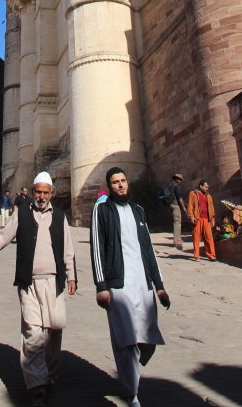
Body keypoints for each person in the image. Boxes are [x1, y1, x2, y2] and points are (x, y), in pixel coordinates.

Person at [0, 172, 76, 407]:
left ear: (51, 193)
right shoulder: (21, 214)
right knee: (33, 334)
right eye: (38, 192)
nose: (42, 197)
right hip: (29, 284)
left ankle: (49, 377)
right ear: (32, 192)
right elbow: (1, 239)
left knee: (54, 333)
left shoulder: (61, 217)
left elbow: (68, 250)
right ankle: (37, 388)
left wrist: (72, 276)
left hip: (54, 284)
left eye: (45, 193)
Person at [91, 167, 170, 407]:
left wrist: (159, 285)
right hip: (118, 284)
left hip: (143, 282)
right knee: (126, 340)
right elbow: (97, 247)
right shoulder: (102, 210)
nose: (121, 185)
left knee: (147, 337)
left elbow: (148, 249)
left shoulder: (139, 211)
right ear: (109, 185)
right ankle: (132, 392)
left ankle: (132, 370)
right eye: (115, 182)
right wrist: (101, 285)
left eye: (123, 180)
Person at [187, 180, 216, 262]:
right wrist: (191, 216)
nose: (207, 188)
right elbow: (190, 206)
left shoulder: (208, 196)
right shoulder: (193, 194)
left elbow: (211, 208)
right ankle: (196, 255)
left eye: (207, 187)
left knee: (209, 237)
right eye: (206, 187)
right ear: (201, 186)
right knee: (196, 237)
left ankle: (211, 255)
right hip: (197, 218)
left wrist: (212, 219)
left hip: (207, 219)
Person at [163, 173, 187, 250]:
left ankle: (177, 238)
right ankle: (177, 240)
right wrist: (183, 207)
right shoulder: (176, 186)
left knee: (176, 221)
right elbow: (179, 198)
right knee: (177, 222)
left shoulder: (170, 185)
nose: (180, 181)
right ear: (177, 179)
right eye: (180, 179)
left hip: (170, 204)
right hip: (175, 205)